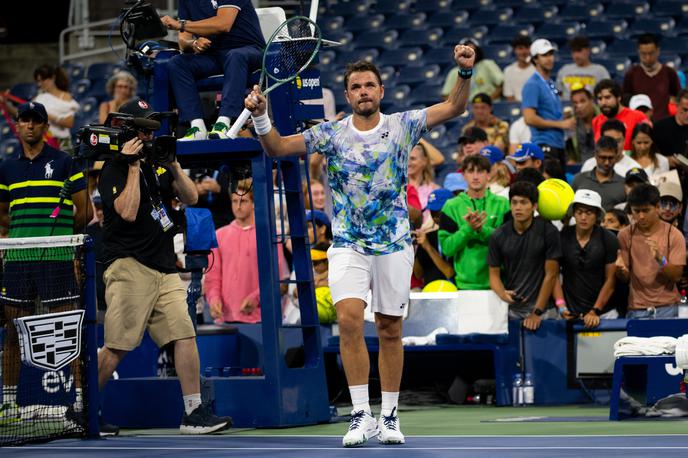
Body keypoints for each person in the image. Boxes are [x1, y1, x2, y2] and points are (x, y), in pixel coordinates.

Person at [241, 45, 476, 447]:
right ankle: (360, 414)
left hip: (394, 243)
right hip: (348, 242)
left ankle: (389, 415)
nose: (363, 90)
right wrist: (261, 116)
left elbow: (454, 107)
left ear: (381, 91)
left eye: (369, 84)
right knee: (349, 319)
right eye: (355, 86)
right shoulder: (330, 133)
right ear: (347, 96)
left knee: (389, 328)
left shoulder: (403, 125)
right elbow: (278, 148)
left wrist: (465, 72)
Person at [96, 98, 231, 434]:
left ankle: (193, 412)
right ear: (128, 131)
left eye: (150, 131)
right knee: (118, 345)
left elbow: (192, 198)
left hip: (164, 266)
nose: (147, 137)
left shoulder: (157, 163)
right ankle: (81, 407)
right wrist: (131, 166)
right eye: (142, 130)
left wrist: (172, 166)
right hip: (128, 266)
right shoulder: (113, 167)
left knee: (184, 335)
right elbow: (126, 212)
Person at [0, 101, 91, 424]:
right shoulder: (6, 168)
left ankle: (79, 403)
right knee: (12, 333)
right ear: (19, 126)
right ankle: (9, 404)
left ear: (44, 127)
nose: (29, 126)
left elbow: (86, 213)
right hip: (18, 260)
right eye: (24, 120)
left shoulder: (65, 163)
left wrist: (62, 240)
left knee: (66, 333)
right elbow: (2, 214)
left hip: (56, 257)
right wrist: (20, 237)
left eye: (35, 121)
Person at [161, 0, 265, 140]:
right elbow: (183, 41)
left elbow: (223, 24)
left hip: (249, 50)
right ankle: (197, 127)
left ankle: (224, 123)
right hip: (214, 55)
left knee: (235, 56)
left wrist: (180, 24)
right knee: (177, 63)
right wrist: (194, 43)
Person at [205, 178, 289, 323]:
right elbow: (212, 278)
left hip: (262, 319)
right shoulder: (219, 236)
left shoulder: (268, 235)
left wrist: (256, 298)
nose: (238, 206)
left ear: (254, 204)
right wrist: (213, 300)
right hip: (226, 319)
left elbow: (278, 278)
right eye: (234, 201)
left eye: (243, 201)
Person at [488, 181, 561, 330]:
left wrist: (537, 312)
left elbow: (551, 275)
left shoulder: (549, 232)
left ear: (534, 206)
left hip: (545, 312)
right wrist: (503, 294)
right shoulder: (498, 235)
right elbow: (494, 276)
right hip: (512, 312)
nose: (518, 207)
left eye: (523, 202)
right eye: (514, 202)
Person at [438, 155, 509, 290]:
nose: (475, 177)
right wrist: (468, 229)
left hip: (499, 286)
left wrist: (482, 229)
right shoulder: (450, 207)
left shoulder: (503, 204)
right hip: (464, 286)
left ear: (488, 175)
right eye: (471, 171)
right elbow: (447, 248)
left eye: (480, 171)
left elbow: (509, 244)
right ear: (463, 175)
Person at [616, 184, 686, 318]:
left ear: (657, 207)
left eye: (646, 210)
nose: (641, 216)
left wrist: (661, 259)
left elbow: (677, 276)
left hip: (669, 308)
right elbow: (624, 278)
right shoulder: (624, 235)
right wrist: (621, 271)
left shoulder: (674, 235)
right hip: (637, 309)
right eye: (636, 211)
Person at [553, 190, 618, 328]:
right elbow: (553, 276)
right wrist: (561, 307)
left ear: (597, 216)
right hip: (569, 313)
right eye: (579, 212)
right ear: (573, 213)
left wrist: (595, 310)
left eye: (589, 213)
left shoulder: (609, 238)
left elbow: (611, 280)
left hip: (604, 313)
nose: (583, 217)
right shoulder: (561, 237)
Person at [522, 38, 575, 171]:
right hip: (544, 143)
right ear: (535, 59)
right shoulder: (532, 84)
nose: (549, 58)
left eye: (551, 54)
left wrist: (563, 116)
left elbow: (548, 112)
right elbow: (529, 118)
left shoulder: (550, 82)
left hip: (557, 143)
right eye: (544, 55)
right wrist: (561, 124)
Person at [623, 33, 680, 122]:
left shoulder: (669, 73)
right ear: (638, 52)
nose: (648, 58)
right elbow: (625, 101)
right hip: (640, 124)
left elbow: (678, 98)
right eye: (643, 54)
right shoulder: (631, 74)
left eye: (651, 53)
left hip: (664, 123)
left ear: (658, 51)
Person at [413, 189, 455, 288]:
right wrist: (413, 248)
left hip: (454, 295)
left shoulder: (458, 236)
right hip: (430, 295)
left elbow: (449, 272)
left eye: (439, 212)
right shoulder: (428, 237)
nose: (435, 217)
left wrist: (428, 248)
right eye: (432, 212)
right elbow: (418, 274)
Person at [592, 79, 649, 152]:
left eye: (607, 97)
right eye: (600, 98)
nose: (603, 102)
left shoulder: (638, 116)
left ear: (618, 97)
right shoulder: (596, 121)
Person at [572, 136, 626, 211]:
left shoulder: (623, 184)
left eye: (610, 158)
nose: (607, 162)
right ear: (595, 155)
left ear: (616, 156)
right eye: (603, 157)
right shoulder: (579, 179)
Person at [556, 36, 610, 100]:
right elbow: (558, 93)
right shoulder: (564, 70)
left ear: (587, 51)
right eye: (573, 51)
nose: (576, 55)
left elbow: (607, 94)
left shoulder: (600, 71)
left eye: (579, 51)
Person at [652, 89, 688, 167]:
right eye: (685, 110)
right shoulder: (660, 127)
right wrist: (665, 160)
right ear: (677, 106)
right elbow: (649, 153)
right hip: (665, 174)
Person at [408, 141, 440, 223]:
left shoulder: (435, 190)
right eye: (405, 158)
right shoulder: (397, 188)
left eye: (412, 159)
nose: (408, 163)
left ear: (424, 161)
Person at [566, 84, 598, 164]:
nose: (579, 106)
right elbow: (570, 154)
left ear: (591, 101)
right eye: (575, 103)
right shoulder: (571, 124)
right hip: (579, 168)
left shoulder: (604, 120)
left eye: (582, 101)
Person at [503, 35, 535, 103]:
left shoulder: (538, 70)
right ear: (515, 50)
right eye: (520, 48)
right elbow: (509, 97)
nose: (524, 52)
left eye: (527, 48)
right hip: (516, 109)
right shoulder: (508, 71)